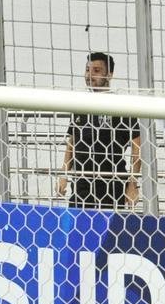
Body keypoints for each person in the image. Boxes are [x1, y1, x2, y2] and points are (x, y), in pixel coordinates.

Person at [56, 52, 141, 210]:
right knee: (79, 230)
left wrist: (132, 183)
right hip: (82, 186)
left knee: (110, 232)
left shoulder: (122, 106)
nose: (89, 75)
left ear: (109, 75)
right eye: (87, 70)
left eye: (96, 71)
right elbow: (72, 144)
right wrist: (63, 175)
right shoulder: (80, 106)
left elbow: (138, 148)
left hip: (112, 186)